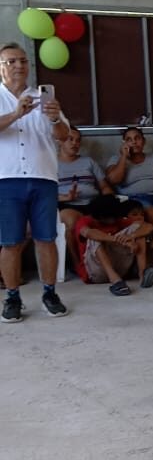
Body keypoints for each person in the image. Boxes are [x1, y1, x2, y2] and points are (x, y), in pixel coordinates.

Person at [0, 42, 70, 322]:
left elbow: (64, 136)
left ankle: (50, 293)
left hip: (43, 179)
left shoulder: (43, 98)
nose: (19, 66)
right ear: (1, 67)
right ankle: (13, 298)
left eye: (23, 61)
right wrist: (17, 113)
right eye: (11, 61)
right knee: (11, 242)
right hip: (7, 180)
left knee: (46, 238)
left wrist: (54, 119)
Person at [105, 127, 153, 232]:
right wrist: (124, 157)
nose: (134, 142)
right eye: (129, 139)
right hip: (135, 198)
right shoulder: (116, 160)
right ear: (124, 143)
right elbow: (113, 180)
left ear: (143, 141)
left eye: (137, 138)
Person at [74, 195, 153, 296]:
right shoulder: (85, 221)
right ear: (102, 216)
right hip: (94, 272)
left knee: (138, 230)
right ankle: (116, 281)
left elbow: (148, 227)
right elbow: (88, 233)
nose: (117, 218)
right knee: (95, 236)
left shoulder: (118, 220)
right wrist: (120, 241)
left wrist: (132, 236)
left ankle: (142, 274)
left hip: (117, 265)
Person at [57, 125, 112, 268]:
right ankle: (78, 263)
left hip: (92, 203)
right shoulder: (52, 164)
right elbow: (45, 194)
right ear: (60, 141)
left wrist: (108, 198)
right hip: (66, 204)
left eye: (78, 140)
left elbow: (104, 186)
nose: (75, 143)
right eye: (70, 139)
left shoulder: (88, 161)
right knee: (72, 220)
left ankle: (104, 261)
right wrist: (66, 197)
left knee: (111, 214)